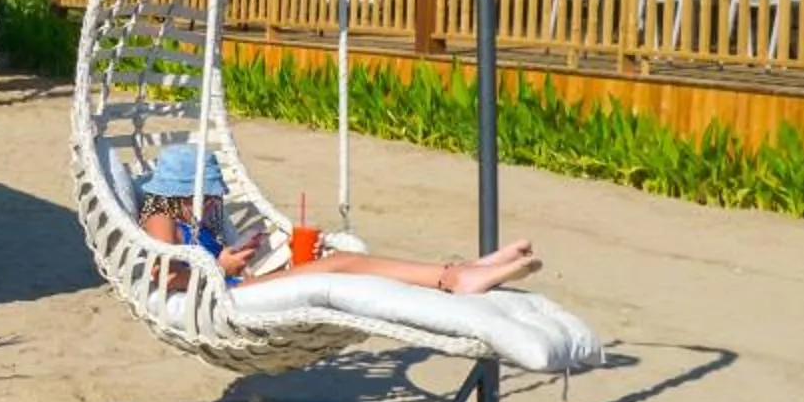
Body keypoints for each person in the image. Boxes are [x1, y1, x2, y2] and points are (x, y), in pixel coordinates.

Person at [131, 144, 538, 295]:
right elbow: (164, 275)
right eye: (209, 192)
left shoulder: (195, 216)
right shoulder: (160, 213)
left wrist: (245, 253)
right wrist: (220, 266)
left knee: (340, 261)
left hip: (241, 284)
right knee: (340, 266)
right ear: (182, 191)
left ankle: (459, 271)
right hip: (235, 296)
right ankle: (455, 277)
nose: (216, 200)